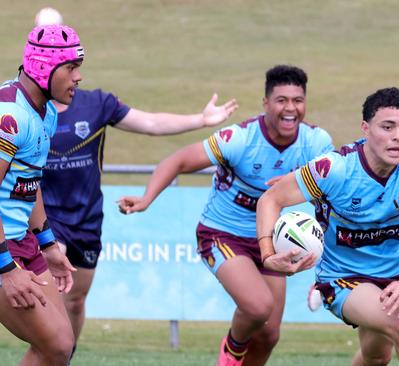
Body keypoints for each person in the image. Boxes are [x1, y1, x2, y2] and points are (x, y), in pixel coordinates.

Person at [33, 8, 239, 351]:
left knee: (75, 302)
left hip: (86, 220)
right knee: (54, 296)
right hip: (45, 220)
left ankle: (62, 357)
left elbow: (152, 123)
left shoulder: (96, 103)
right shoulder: (25, 109)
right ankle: (50, 355)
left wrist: (201, 120)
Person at [118, 65, 334, 366]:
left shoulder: (316, 143)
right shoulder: (240, 139)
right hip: (221, 234)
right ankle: (231, 351)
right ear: (266, 103)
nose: (290, 108)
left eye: (297, 100)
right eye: (281, 100)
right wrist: (146, 198)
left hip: (271, 240)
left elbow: (332, 199)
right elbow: (178, 160)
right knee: (258, 307)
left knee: (269, 335)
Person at [257, 87, 399, 366]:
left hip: (392, 276)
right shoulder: (335, 169)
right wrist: (268, 254)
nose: (398, 137)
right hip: (342, 278)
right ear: (365, 129)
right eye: (387, 127)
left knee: (377, 357)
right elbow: (271, 199)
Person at [0, 23, 84, 365]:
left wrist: (47, 244)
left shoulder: (45, 112)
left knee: (60, 347)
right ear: (42, 66)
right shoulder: (10, 117)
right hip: (3, 249)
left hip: (20, 240)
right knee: (57, 345)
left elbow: (28, 183)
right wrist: (6, 269)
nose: (78, 77)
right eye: (71, 67)